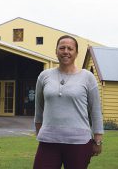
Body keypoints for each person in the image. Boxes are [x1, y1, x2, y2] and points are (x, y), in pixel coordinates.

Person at [33, 35, 104, 169]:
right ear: (56, 51)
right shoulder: (44, 76)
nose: (66, 51)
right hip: (48, 141)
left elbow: (95, 110)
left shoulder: (87, 77)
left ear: (76, 53)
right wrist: (39, 133)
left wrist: (98, 140)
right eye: (62, 48)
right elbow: (39, 109)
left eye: (70, 48)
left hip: (79, 143)